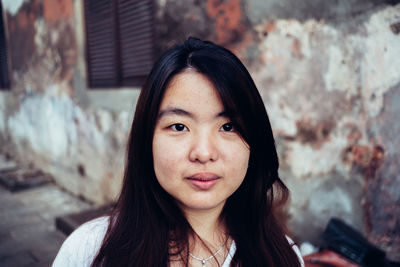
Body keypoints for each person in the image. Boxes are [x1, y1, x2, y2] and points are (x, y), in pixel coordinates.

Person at [53, 37, 305, 267]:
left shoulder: (283, 257)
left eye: (228, 126)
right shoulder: (89, 252)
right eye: (179, 126)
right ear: (147, 139)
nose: (204, 153)